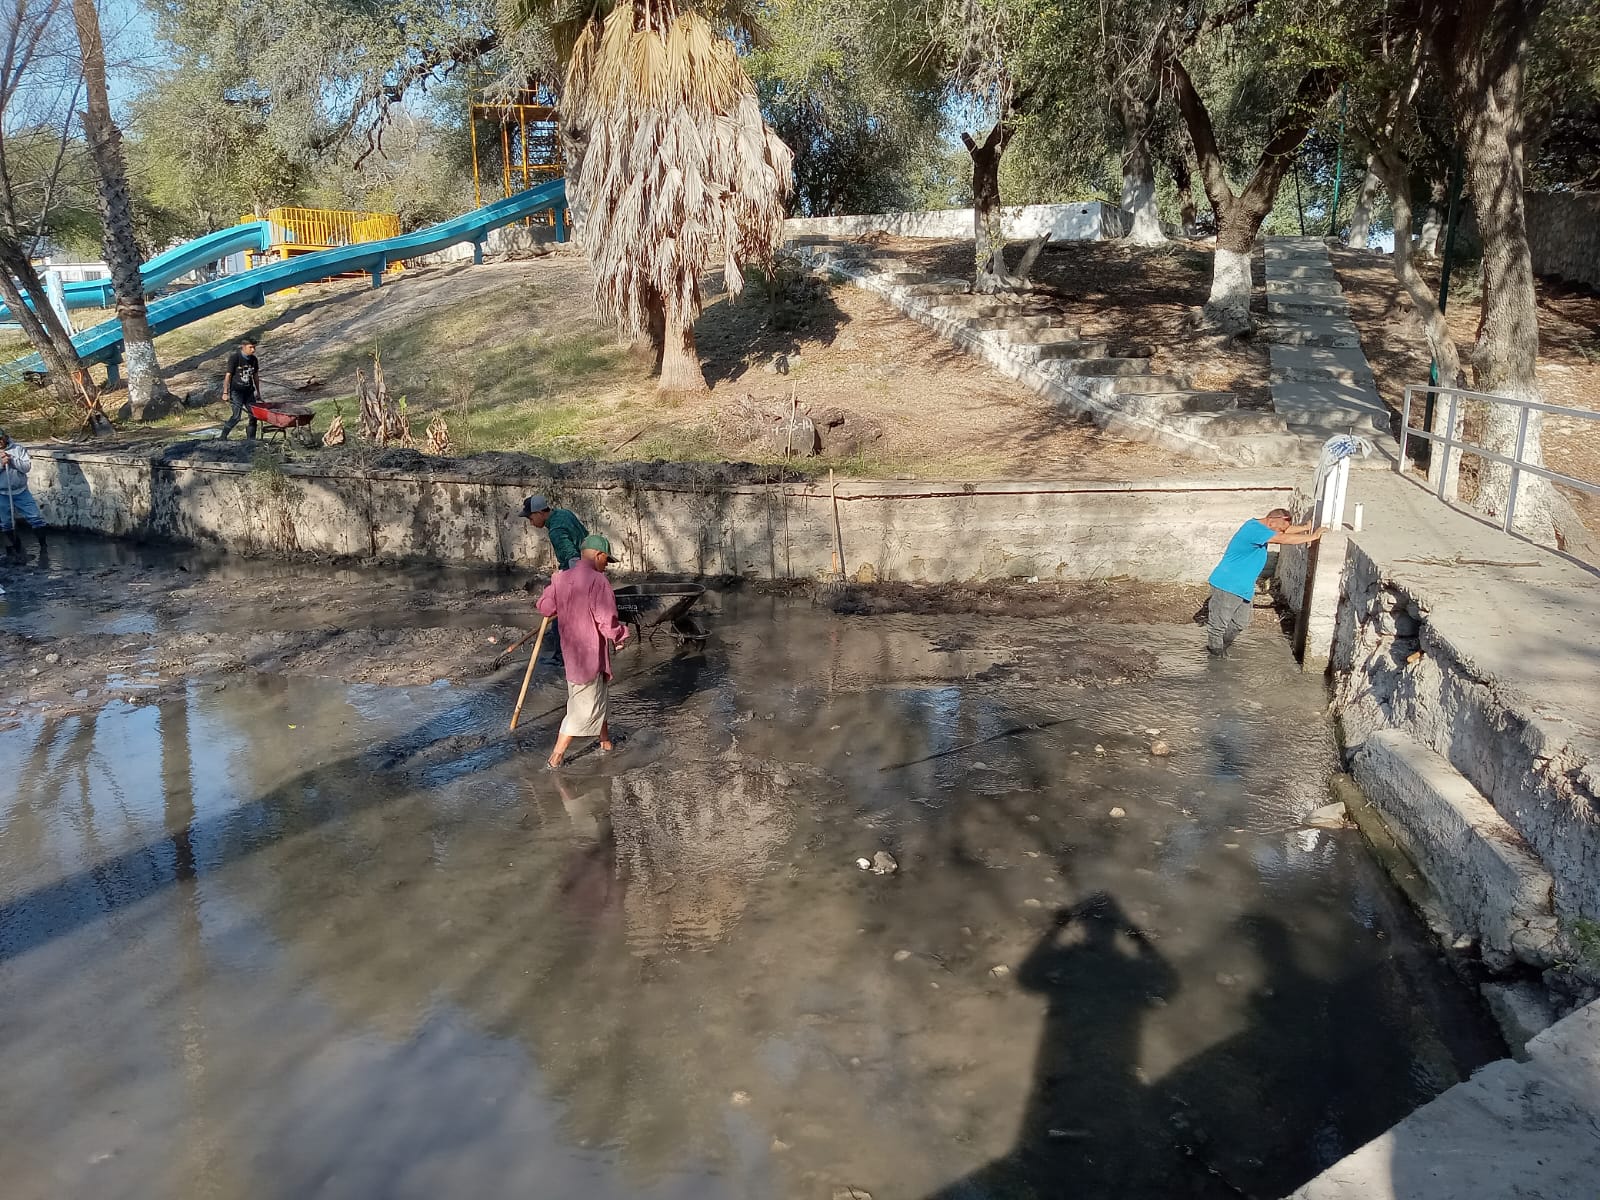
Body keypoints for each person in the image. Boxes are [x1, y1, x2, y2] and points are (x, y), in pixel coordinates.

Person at [536, 534, 630, 768]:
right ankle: (556, 757)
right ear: (599, 555)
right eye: (606, 561)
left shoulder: (561, 579)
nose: (606, 566)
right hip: (590, 656)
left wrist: (552, 584)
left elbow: (545, 608)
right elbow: (606, 619)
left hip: (572, 655)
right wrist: (619, 635)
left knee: (595, 697)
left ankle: (605, 742)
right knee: (584, 708)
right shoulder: (598, 581)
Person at [1206, 508, 1324, 655]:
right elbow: (1282, 538)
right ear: (1272, 520)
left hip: (1243, 586)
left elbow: (1283, 531)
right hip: (1228, 584)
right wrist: (1313, 536)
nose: (1281, 531)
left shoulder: (1263, 526)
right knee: (1218, 626)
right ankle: (1215, 658)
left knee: (1240, 623)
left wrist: (1305, 528)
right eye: (1281, 528)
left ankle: (1220, 649)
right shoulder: (1253, 529)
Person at [0, 427, 47, 561]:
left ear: (5, 437)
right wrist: (1, 464)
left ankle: (43, 547)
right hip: (2, 493)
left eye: (0, 439)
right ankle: (16, 548)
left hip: (21, 491)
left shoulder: (18, 449)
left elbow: (26, 467)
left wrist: (13, 461)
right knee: (6, 522)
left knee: (35, 517)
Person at [521, 494, 589, 571]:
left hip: (576, 571)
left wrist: (576, 580)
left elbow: (573, 557)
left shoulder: (555, 531)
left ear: (539, 513)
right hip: (589, 562)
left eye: (531, 519)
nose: (531, 523)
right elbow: (585, 534)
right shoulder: (564, 513)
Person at [218, 336, 262, 440]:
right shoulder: (235, 358)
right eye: (251, 347)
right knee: (236, 416)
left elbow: (255, 376)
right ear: (243, 347)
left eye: (254, 347)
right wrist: (225, 392)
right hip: (236, 392)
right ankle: (223, 437)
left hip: (249, 392)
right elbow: (228, 376)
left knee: (253, 415)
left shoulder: (254, 359)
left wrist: (258, 392)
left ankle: (251, 439)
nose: (253, 350)